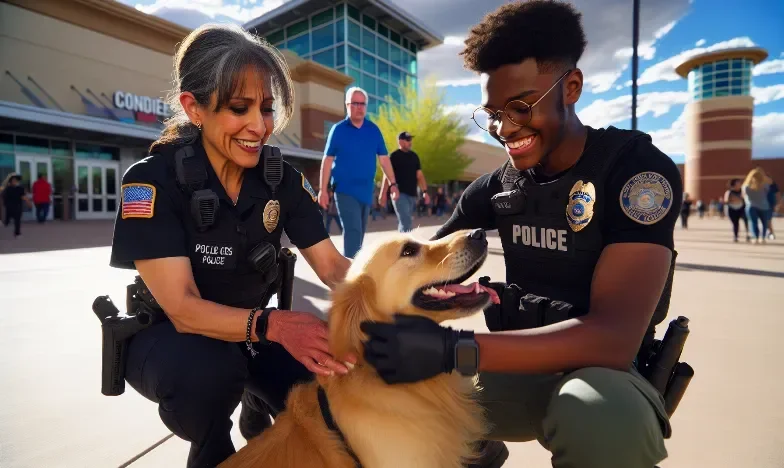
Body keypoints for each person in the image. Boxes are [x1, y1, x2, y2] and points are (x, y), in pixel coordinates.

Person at [359, 2, 682, 468]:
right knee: (381, 389)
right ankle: (473, 453)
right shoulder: (499, 185)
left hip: (604, 373)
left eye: (521, 107)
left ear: (571, 88)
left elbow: (613, 337)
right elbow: (418, 265)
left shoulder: (634, 173)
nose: (504, 128)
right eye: (492, 113)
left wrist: (454, 350)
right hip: (512, 363)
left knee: (602, 417)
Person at [107, 24, 355, 468]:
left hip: (254, 332)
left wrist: (405, 292)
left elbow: (335, 268)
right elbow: (182, 308)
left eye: (266, 108)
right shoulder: (151, 182)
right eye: (240, 108)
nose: (259, 127)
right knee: (210, 379)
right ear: (193, 107)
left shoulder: (279, 179)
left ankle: (256, 405)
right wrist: (276, 326)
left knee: (335, 404)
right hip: (173, 338)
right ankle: (212, 449)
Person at [318, 87, 400, 258]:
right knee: (353, 233)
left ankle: (349, 270)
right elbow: (327, 160)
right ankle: (350, 279)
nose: (360, 107)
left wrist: (393, 183)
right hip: (345, 191)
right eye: (355, 103)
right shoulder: (338, 130)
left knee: (359, 236)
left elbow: (384, 159)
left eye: (363, 104)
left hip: (366, 192)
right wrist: (323, 190)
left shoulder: (373, 130)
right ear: (347, 105)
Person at [381, 131, 429, 232]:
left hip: (412, 195)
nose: (410, 142)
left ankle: (400, 245)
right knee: (406, 222)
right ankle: (408, 246)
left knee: (404, 221)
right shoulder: (394, 156)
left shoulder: (414, 157)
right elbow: (387, 176)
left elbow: (419, 175)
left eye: (410, 139)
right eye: (407, 140)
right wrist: (383, 194)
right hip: (399, 194)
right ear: (400, 141)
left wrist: (425, 192)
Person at [742, 167, 771, 244]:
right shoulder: (765, 185)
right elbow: (766, 193)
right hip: (764, 206)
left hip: (751, 206)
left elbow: (744, 196)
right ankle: (763, 238)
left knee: (753, 222)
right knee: (764, 223)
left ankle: (755, 237)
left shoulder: (746, 186)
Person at [724, 178, 750, 242]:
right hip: (732, 209)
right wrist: (735, 200)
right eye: (738, 183)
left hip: (741, 208)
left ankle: (748, 235)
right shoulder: (729, 192)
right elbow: (726, 200)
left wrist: (740, 199)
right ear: (734, 184)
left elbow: (745, 199)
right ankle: (736, 237)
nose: (740, 184)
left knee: (746, 221)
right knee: (735, 223)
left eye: (740, 183)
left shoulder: (742, 191)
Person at [2, 173, 27, 238]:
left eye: (16, 180)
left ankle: (17, 233)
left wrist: (28, 202)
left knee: (17, 220)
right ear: (10, 181)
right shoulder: (7, 189)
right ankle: (6, 224)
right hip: (9, 206)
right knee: (7, 220)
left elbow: (23, 196)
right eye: (13, 180)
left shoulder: (20, 188)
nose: (15, 181)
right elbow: (3, 197)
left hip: (17, 206)